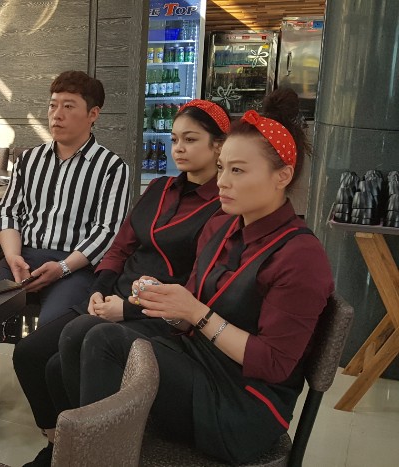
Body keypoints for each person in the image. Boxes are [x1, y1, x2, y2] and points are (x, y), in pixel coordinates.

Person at [50, 89, 332, 466]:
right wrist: (165, 302)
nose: (224, 181)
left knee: (102, 341)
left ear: (282, 176)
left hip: (242, 403)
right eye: (222, 168)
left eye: (238, 171)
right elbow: (189, 313)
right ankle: (97, 452)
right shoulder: (224, 226)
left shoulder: (301, 256)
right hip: (197, 359)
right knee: (80, 338)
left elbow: (273, 363)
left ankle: (97, 454)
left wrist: (196, 312)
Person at [0, 70, 131, 465]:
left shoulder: (111, 166)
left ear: (93, 114)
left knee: (51, 339)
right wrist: (13, 256)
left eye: (69, 106)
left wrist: (62, 267)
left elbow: (108, 232)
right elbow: (10, 213)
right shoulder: (30, 159)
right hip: (22, 256)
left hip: (75, 266)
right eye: (53, 105)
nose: (57, 114)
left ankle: (63, 440)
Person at [12, 99, 230, 466]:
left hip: (159, 314)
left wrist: (127, 309)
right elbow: (120, 245)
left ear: (218, 145)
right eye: (175, 139)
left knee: (59, 363)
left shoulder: (222, 206)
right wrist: (100, 287)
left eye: (191, 140)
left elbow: (196, 286)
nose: (179, 148)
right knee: (29, 354)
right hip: (112, 295)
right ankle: (59, 447)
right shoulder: (160, 188)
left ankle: (92, 452)